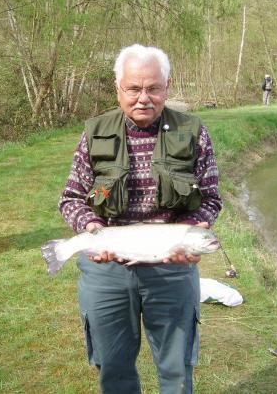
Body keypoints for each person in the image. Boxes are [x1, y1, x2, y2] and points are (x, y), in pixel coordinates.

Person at [58, 44, 222, 393]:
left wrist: (196, 232)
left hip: (172, 271)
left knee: (177, 370)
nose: (143, 98)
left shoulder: (193, 133)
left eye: (153, 88)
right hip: (107, 272)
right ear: (118, 88)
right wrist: (91, 228)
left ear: (167, 86)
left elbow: (209, 199)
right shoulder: (94, 133)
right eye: (133, 88)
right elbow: (71, 199)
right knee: (113, 369)